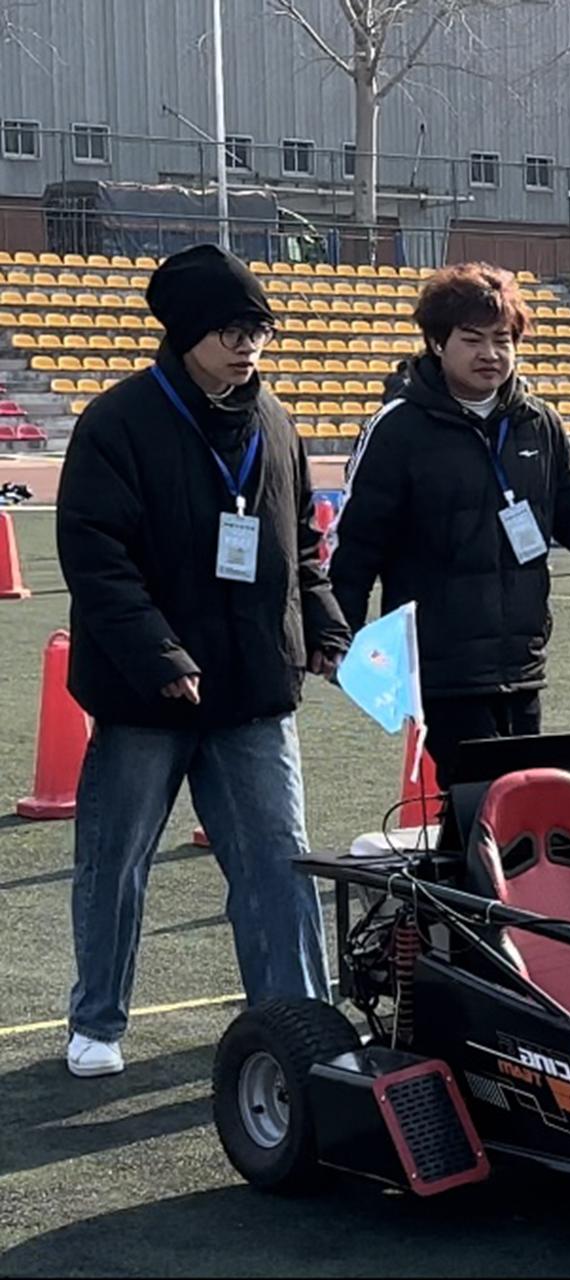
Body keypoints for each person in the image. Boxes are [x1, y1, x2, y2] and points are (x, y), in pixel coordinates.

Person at [54, 245, 347, 1078]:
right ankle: (97, 1021)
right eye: (230, 330)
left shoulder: (276, 421)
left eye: (259, 328)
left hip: (254, 689)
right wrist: (159, 654)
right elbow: (96, 557)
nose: (248, 344)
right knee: (115, 863)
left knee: (279, 863)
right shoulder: (116, 423)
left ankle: (296, 1024)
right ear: (186, 333)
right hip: (147, 697)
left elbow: (303, 543)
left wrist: (321, 624)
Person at [327, 263, 570, 780]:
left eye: (502, 340)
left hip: (521, 659)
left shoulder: (538, 422)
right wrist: (338, 634)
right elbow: (357, 543)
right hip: (441, 666)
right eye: (473, 340)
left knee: (516, 799)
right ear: (437, 343)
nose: (490, 353)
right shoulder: (398, 430)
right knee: (483, 794)